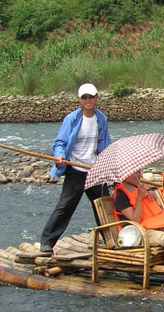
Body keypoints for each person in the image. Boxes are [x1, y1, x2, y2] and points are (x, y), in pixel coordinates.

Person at [38, 83, 112, 255]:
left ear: (97, 98)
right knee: (65, 206)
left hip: (94, 170)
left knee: (104, 206)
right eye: (85, 97)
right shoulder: (71, 119)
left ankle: (111, 240)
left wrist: (108, 163)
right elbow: (60, 143)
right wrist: (60, 156)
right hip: (75, 170)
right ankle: (47, 243)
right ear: (80, 100)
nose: (88, 100)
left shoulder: (102, 119)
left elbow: (105, 144)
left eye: (91, 97)